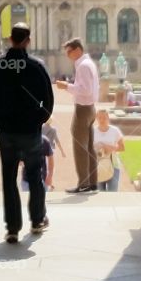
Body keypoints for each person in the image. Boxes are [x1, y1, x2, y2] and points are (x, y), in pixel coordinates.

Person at [0, 23, 54, 243]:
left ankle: (12, 228)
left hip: (7, 131)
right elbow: (48, 101)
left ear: (11, 40)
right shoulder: (36, 66)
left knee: (9, 178)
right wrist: (38, 120)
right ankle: (37, 220)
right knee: (34, 175)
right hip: (30, 130)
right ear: (28, 40)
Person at [56, 37, 99, 192]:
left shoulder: (83, 66)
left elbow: (85, 90)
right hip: (90, 108)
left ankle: (84, 183)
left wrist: (67, 86)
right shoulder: (88, 64)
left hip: (83, 109)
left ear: (77, 50)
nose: (67, 55)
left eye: (69, 52)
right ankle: (92, 182)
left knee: (80, 147)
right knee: (88, 147)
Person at [93, 108, 125, 192]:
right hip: (97, 167)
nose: (102, 120)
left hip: (114, 166)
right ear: (96, 118)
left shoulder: (115, 130)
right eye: (99, 117)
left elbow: (122, 147)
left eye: (104, 117)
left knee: (112, 195)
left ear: (108, 118)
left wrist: (110, 147)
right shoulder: (92, 131)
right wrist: (97, 148)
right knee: (100, 195)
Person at [42, 117, 65, 190]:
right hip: (51, 149)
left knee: (43, 166)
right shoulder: (53, 129)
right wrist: (62, 151)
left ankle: (44, 182)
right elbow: (57, 141)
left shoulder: (41, 127)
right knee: (50, 167)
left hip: (42, 148)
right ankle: (49, 183)